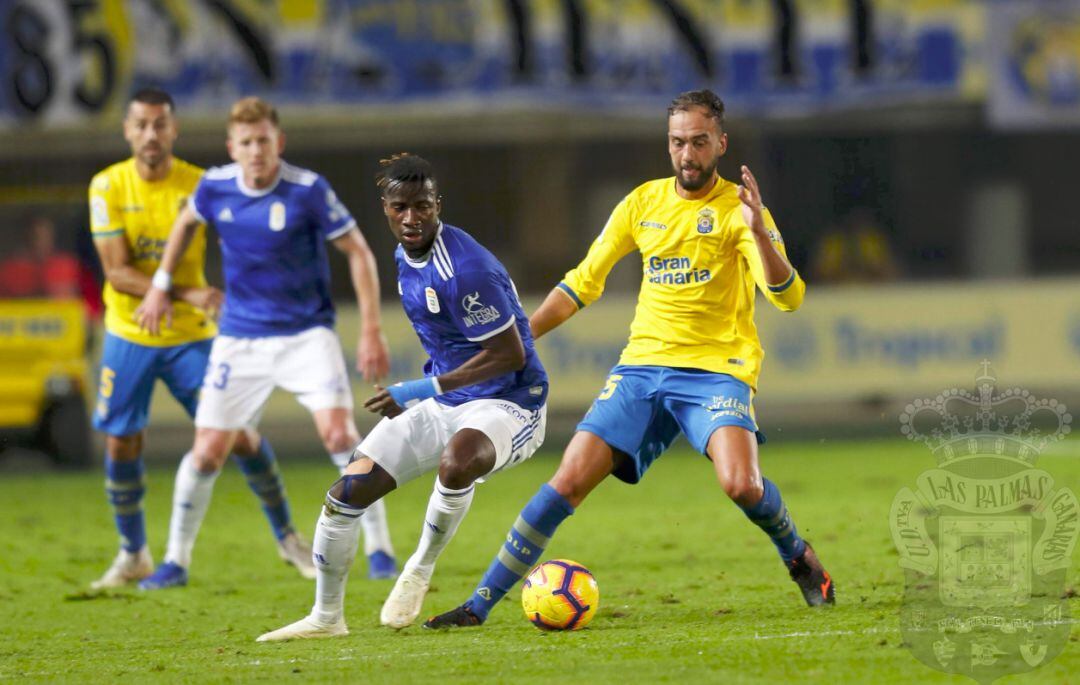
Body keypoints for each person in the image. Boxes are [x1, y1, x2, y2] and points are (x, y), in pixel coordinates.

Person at [424, 89, 834, 629]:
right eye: (678, 142)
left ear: (721, 143)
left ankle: (799, 557)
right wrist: (520, 339)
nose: (687, 154)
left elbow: (789, 297)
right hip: (640, 370)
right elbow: (581, 284)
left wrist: (759, 233)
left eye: (699, 143)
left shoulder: (740, 210)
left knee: (742, 485)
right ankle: (478, 607)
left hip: (716, 372)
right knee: (567, 480)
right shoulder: (643, 203)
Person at [255, 153, 549, 642]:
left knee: (458, 461)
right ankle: (327, 618)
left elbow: (509, 355)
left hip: (512, 402)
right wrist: (430, 393)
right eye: (400, 208)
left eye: (422, 206)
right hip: (447, 399)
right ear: (386, 209)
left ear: (438, 205)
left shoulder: (466, 269)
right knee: (345, 494)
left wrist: (419, 389)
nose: (411, 218)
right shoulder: (403, 256)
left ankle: (419, 567)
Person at [135, 96, 396, 590]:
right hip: (240, 338)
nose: (256, 150)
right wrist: (160, 283)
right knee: (209, 450)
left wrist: (371, 328)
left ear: (279, 142)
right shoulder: (213, 187)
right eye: (246, 142)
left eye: (264, 141)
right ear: (232, 147)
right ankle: (175, 561)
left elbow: (358, 251)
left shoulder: (308, 190)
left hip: (306, 335)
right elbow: (185, 223)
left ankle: (380, 549)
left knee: (340, 436)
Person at [85, 88, 291, 589]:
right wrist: (191, 293)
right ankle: (134, 553)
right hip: (128, 332)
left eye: (160, 125)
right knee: (121, 442)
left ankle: (289, 538)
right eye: (141, 125)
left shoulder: (202, 184)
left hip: (192, 339)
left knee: (238, 434)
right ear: (128, 131)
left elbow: (248, 241)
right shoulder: (107, 186)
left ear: (174, 130)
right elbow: (116, 273)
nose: (151, 134)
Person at [0, 216, 81, 299]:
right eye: (36, 236)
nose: (41, 241)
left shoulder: (68, 265)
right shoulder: (10, 270)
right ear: (27, 238)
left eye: (46, 235)